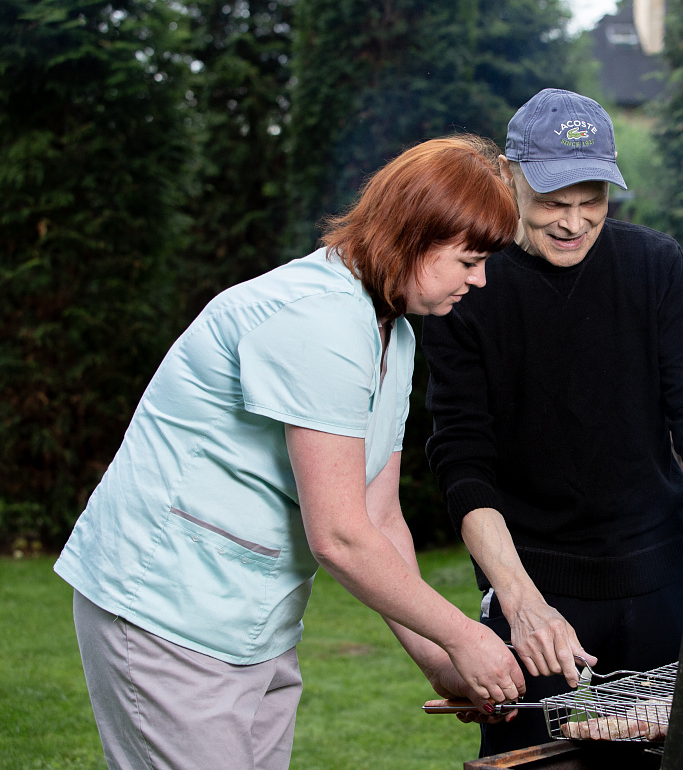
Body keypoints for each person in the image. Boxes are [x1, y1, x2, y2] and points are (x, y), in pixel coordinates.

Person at [53, 135, 527, 770]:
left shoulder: (396, 334)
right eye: (469, 260)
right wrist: (464, 635)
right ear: (413, 235)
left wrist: (438, 660)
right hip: (166, 610)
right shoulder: (318, 322)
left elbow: (379, 517)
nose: (481, 279)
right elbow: (338, 535)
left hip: (256, 627)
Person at [422, 88, 683, 756]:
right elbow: (462, 459)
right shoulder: (468, 285)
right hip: (533, 588)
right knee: (530, 762)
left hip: (659, 578)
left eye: (590, 201)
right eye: (553, 203)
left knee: (673, 758)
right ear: (509, 176)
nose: (573, 223)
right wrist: (520, 601)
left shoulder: (656, 267)